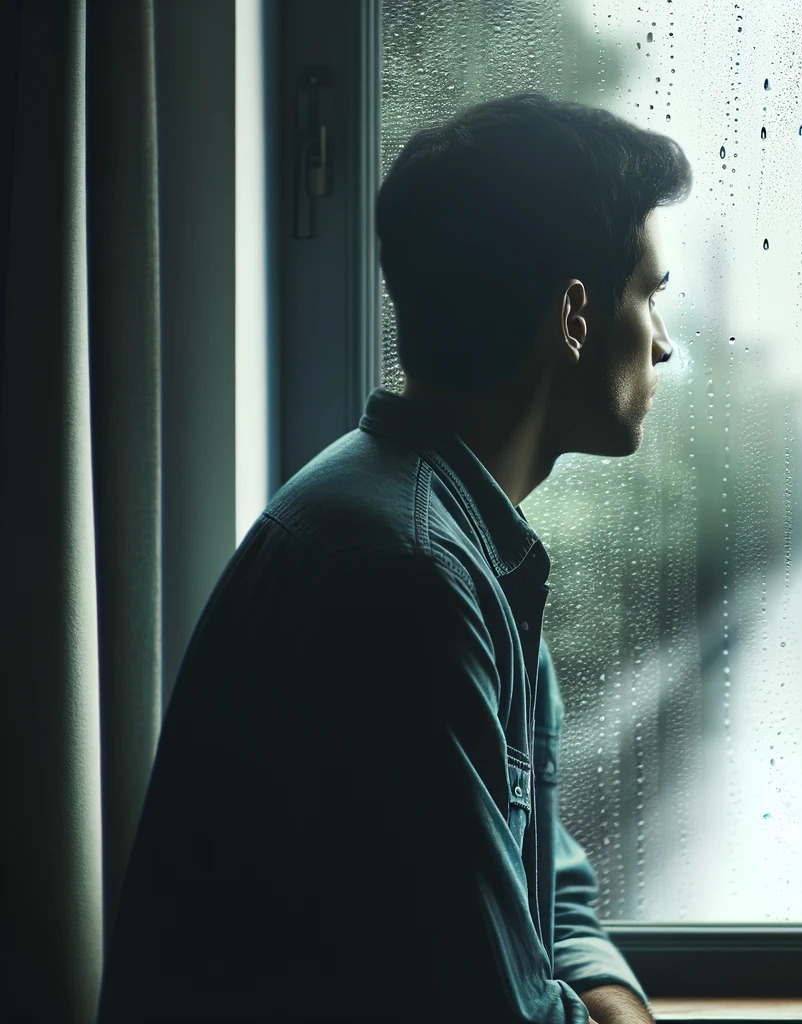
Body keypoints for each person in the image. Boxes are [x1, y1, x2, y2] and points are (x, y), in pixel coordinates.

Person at [97, 93, 690, 1024]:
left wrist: (612, 999)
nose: (665, 340)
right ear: (575, 317)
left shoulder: (450, 536)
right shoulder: (408, 580)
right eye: (650, 293)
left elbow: (547, 891)